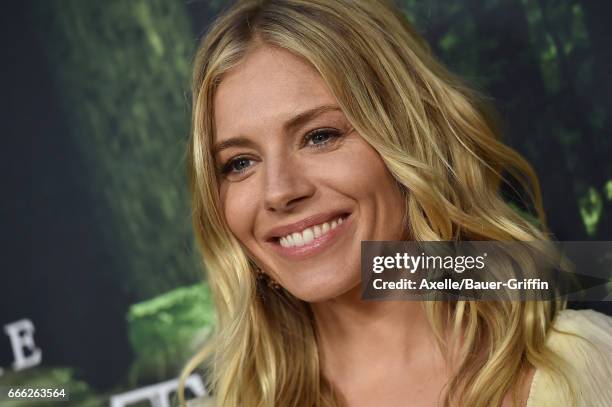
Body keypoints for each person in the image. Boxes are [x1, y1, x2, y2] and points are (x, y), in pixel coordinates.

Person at [179, 0, 612, 406]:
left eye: (320, 136)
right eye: (239, 163)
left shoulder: (581, 365)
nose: (279, 191)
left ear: (407, 139)